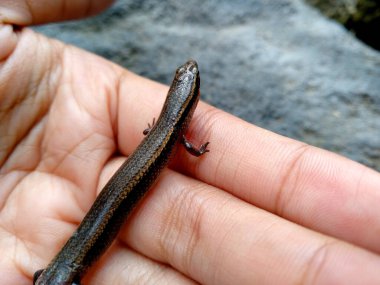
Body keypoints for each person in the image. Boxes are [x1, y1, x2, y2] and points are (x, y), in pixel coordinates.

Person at [1, 1, 380, 284]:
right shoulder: (177, 132)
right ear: (189, 103)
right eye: (188, 81)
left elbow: (162, 135)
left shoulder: (170, 129)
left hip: (84, 242)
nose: (189, 74)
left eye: (190, 81)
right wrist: (197, 152)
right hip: (82, 252)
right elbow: (183, 145)